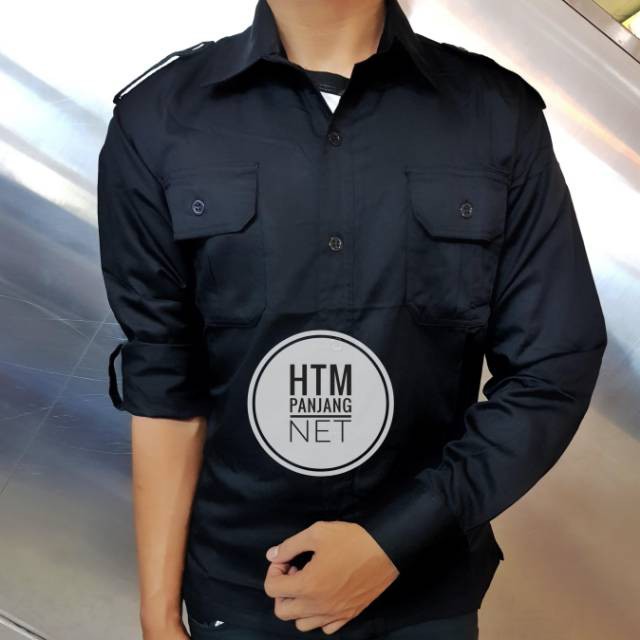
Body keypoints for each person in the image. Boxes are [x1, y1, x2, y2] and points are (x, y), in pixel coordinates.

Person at [96, 0, 608, 638]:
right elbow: (165, 382)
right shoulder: (158, 117)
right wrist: (157, 615)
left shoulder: (496, 116)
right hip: (240, 595)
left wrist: (395, 538)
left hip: (424, 594)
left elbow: (552, 367)